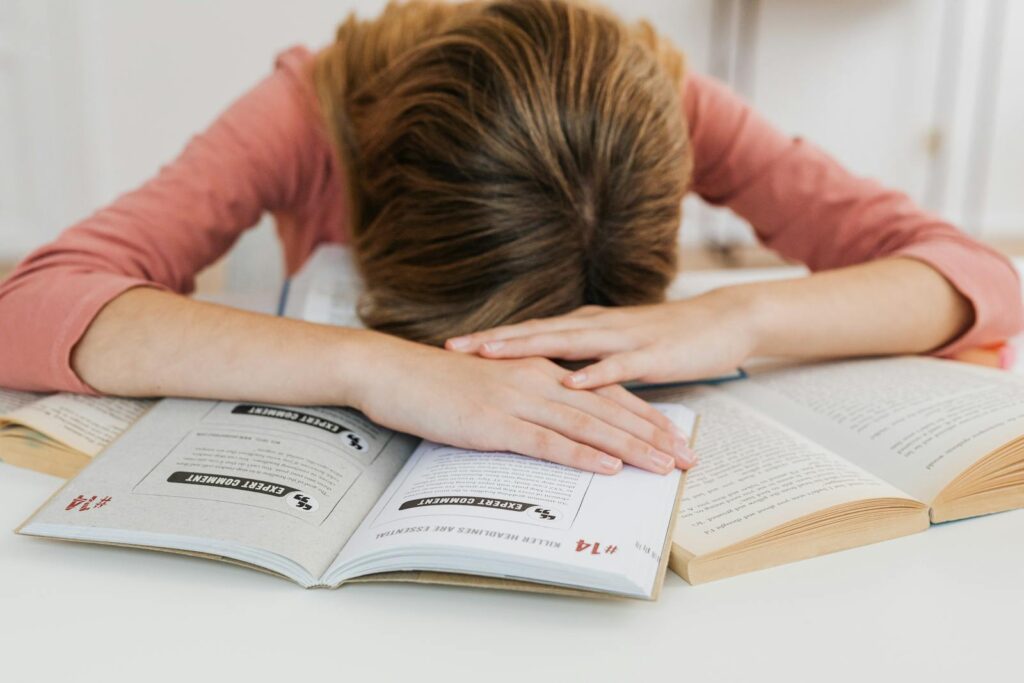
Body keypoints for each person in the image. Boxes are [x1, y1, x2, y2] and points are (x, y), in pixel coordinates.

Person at [1, 0, 1020, 477]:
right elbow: (30, 305)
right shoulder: (311, 105)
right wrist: (374, 366)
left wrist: (733, 313)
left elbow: (981, 275)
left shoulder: (660, 98)